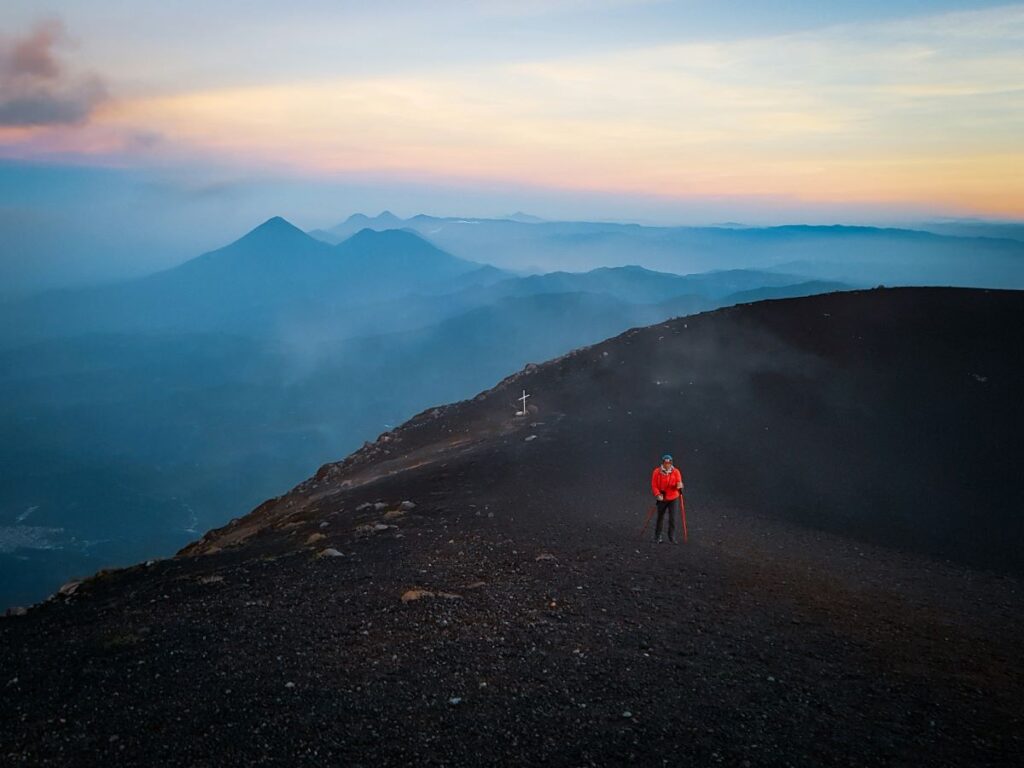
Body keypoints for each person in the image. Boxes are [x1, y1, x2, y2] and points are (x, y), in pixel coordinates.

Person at [650, 454, 684, 544]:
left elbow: (679, 483)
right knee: (660, 517)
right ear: (663, 463)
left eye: (669, 463)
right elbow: (654, 485)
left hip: (673, 497)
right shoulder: (656, 472)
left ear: (671, 463)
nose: (667, 465)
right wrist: (657, 494)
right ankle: (657, 536)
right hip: (662, 498)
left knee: (673, 518)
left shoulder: (676, 472)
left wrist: (679, 486)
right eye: (665, 463)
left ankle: (672, 537)